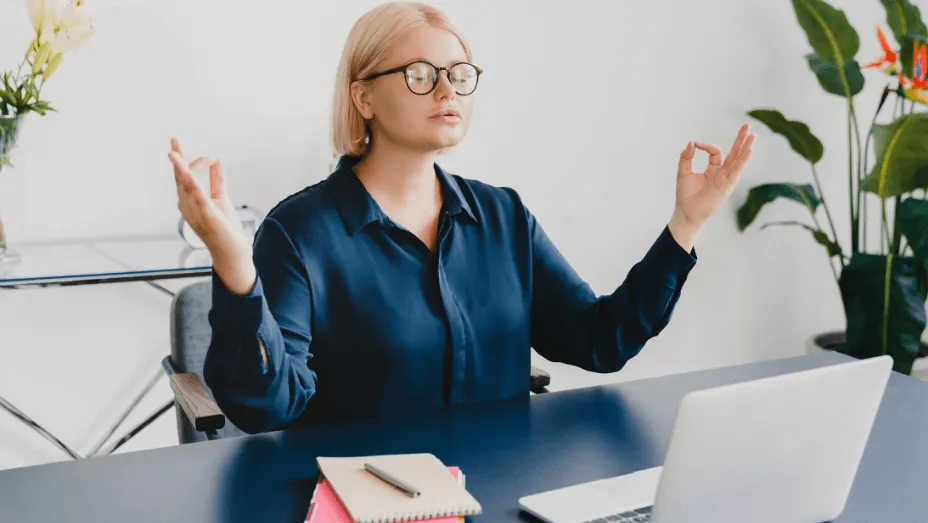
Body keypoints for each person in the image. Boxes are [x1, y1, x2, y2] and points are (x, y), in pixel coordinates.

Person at [167, 2, 755, 434]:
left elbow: (600, 341)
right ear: (363, 97)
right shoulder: (300, 232)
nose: (446, 88)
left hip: (502, 490)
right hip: (368, 501)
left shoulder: (504, 215)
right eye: (420, 74)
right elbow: (265, 406)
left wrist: (685, 224)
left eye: (460, 73)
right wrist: (234, 266)